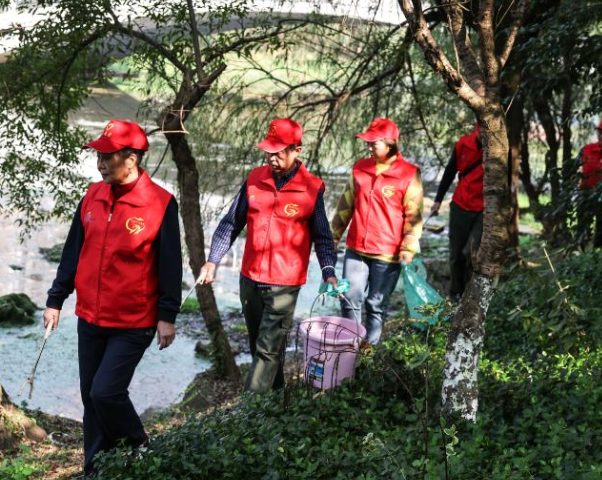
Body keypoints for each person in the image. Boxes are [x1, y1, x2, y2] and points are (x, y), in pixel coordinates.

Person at [43, 119, 182, 475]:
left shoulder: (161, 204)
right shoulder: (92, 196)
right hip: (90, 317)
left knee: (106, 392)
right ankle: (96, 469)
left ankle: (140, 446)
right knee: (91, 399)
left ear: (131, 159)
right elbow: (73, 251)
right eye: (99, 156)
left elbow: (170, 265)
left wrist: (167, 315)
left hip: (133, 321)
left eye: (108, 156)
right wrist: (56, 300)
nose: (101, 163)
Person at [199, 118, 338, 393]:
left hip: (284, 284)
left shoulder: (312, 188)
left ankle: (248, 412)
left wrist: (328, 271)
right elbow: (230, 223)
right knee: (259, 347)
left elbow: (323, 237)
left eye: (279, 151)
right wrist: (212, 260)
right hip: (249, 279)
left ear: (297, 150)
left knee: (267, 350)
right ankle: (275, 402)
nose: (271, 157)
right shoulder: (254, 180)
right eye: (268, 151)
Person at [331, 118, 423, 346]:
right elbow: (345, 205)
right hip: (356, 249)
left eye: (374, 143)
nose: (368, 147)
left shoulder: (409, 174)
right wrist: (333, 237)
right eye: (368, 143)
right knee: (349, 298)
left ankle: (368, 352)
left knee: (376, 304)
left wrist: (408, 248)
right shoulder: (360, 168)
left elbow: (414, 214)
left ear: (390, 143)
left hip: (387, 253)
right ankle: (350, 346)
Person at [430, 123, 484, 299]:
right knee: (455, 255)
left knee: (472, 251)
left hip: (483, 209)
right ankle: (455, 295)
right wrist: (438, 200)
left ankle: (471, 293)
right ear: (478, 130)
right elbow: (450, 171)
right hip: (460, 205)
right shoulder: (462, 145)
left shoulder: (498, 150)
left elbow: (505, 182)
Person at [578, 119, 602, 248]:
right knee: (582, 225)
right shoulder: (587, 149)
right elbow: (574, 168)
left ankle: (596, 255)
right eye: (600, 132)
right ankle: (581, 251)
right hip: (585, 193)